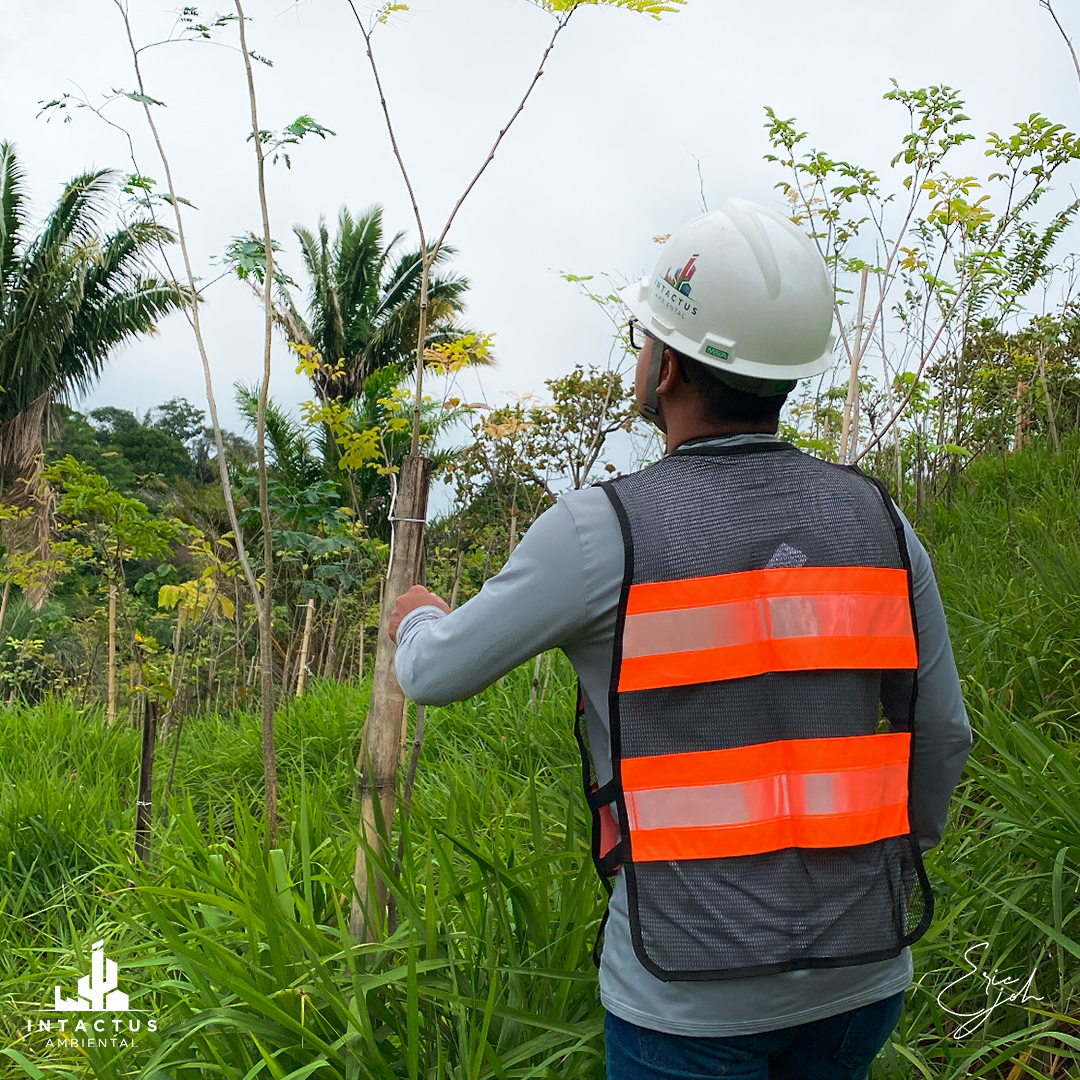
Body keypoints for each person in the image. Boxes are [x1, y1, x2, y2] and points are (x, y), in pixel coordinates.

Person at [389, 199, 972, 1080]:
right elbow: (944, 732)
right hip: (862, 973)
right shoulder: (881, 521)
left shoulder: (600, 533)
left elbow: (434, 674)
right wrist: (884, 864)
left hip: (687, 997)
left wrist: (416, 618)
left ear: (665, 369)